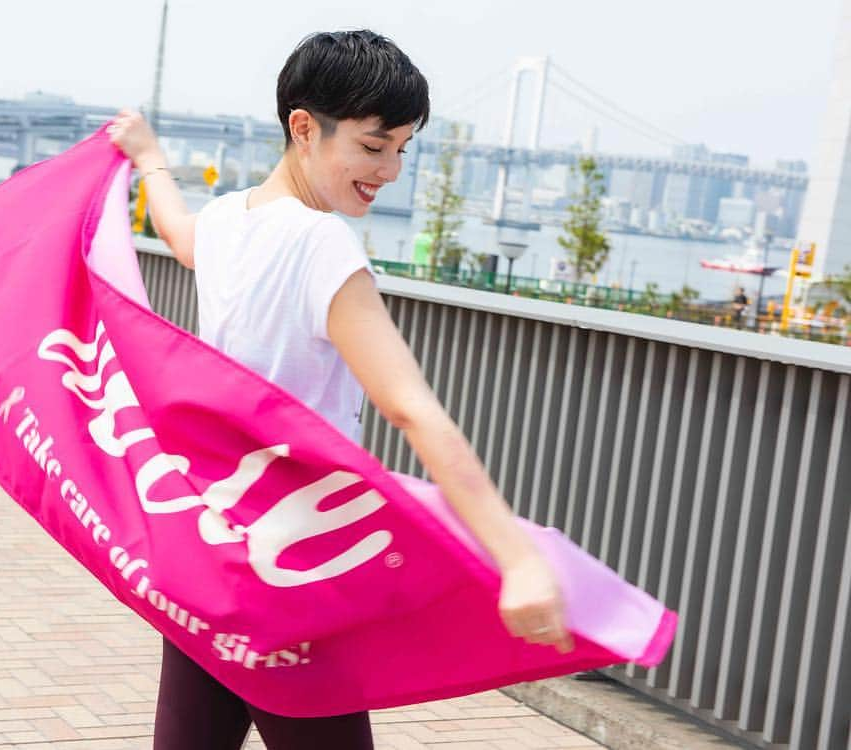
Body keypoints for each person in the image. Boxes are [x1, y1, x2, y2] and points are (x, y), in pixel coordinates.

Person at [109, 29, 572, 750]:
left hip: (212, 548)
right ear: (304, 128)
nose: (389, 170)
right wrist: (516, 559)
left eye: (402, 149)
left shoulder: (231, 219)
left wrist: (148, 159)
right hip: (293, 565)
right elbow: (409, 405)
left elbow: (178, 232)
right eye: (373, 144)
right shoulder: (322, 243)